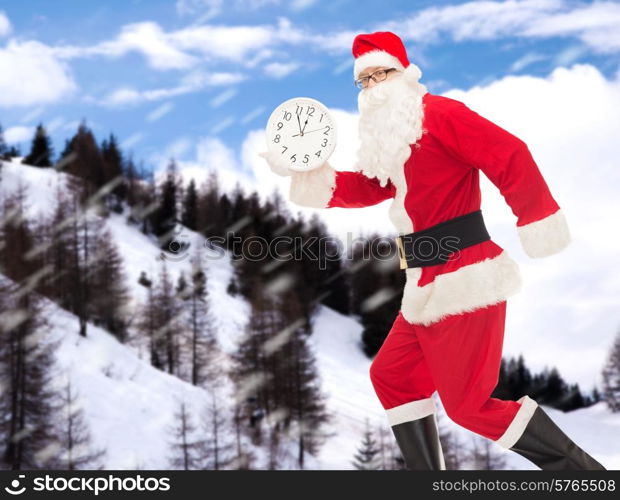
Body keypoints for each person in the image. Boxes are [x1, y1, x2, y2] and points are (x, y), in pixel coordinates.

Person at [259, 31, 606, 471]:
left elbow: (508, 152)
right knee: (393, 377)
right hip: (423, 283)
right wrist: (308, 170)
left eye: (379, 74)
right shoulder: (394, 143)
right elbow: (369, 186)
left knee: (469, 407)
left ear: (403, 74)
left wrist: (535, 218)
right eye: (363, 81)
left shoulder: (441, 114)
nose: (371, 87)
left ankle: (585, 475)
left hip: (466, 276)